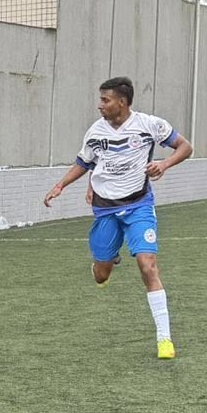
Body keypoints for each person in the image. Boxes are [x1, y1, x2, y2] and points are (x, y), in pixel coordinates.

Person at [42, 76, 192, 360]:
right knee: (102, 274)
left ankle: (164, 339)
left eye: (105, 100)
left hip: (139, 206)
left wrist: (164, 164)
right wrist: (60, 185)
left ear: (122, 102)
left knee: (148, 266)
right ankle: (107, 261)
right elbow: (84, 163)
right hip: (105, 209)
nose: (100, 105)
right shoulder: (95, 132)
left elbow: (185, 146)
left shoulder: (149, 125)